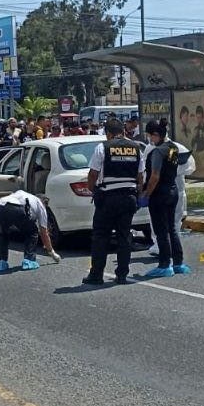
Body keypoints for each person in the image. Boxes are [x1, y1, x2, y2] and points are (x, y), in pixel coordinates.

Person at [84, 117, 144, 285]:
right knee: (124, 236)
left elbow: (93, 175)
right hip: (129, 197)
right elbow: (140, 176)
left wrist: (93, 190)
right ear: (123, 131)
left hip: (108, 198)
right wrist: (137, 196)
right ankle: (122, 274)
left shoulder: (102, 147)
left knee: (100, 236)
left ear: (108, 134)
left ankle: (96, 275)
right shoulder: (136, 147)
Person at [140, 120, 188, 278]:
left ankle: (164, 264)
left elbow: (154, 176)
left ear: (155, 135)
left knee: (161, 231)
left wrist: (146, 193)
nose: (149, 139)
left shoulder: (157, 152)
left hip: (159, 194)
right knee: (172, 229)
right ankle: (178, 263)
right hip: (172, 191)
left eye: (149, 136)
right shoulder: (172, 148)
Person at [0, 190, 61, 271]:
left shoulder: (22, 194)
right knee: (32, 232)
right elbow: (44, 233)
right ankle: (29, 260)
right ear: (44, 201)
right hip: (16, 209)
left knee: (3, 232)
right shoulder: (40, 205)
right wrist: (52, 252)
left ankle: (2, 263)